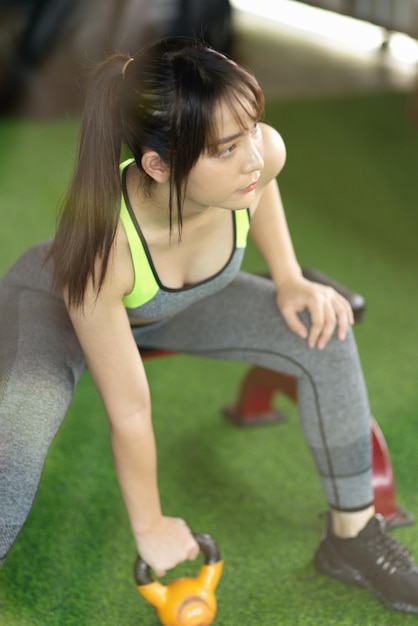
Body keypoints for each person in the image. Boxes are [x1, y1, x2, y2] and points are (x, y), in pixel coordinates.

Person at [0, 36, 417, 615]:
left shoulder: (259, 154)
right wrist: (148, 524)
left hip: (175, 307)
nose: (252, 155)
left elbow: (261, 185)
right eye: (225, 148)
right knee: (21, 426)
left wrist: (290, 277)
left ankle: (354, 538)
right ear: (159, 165)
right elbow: (130, 410)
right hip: (58, 309)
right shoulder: (103, 249)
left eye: (252, 129)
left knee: (323, 331)